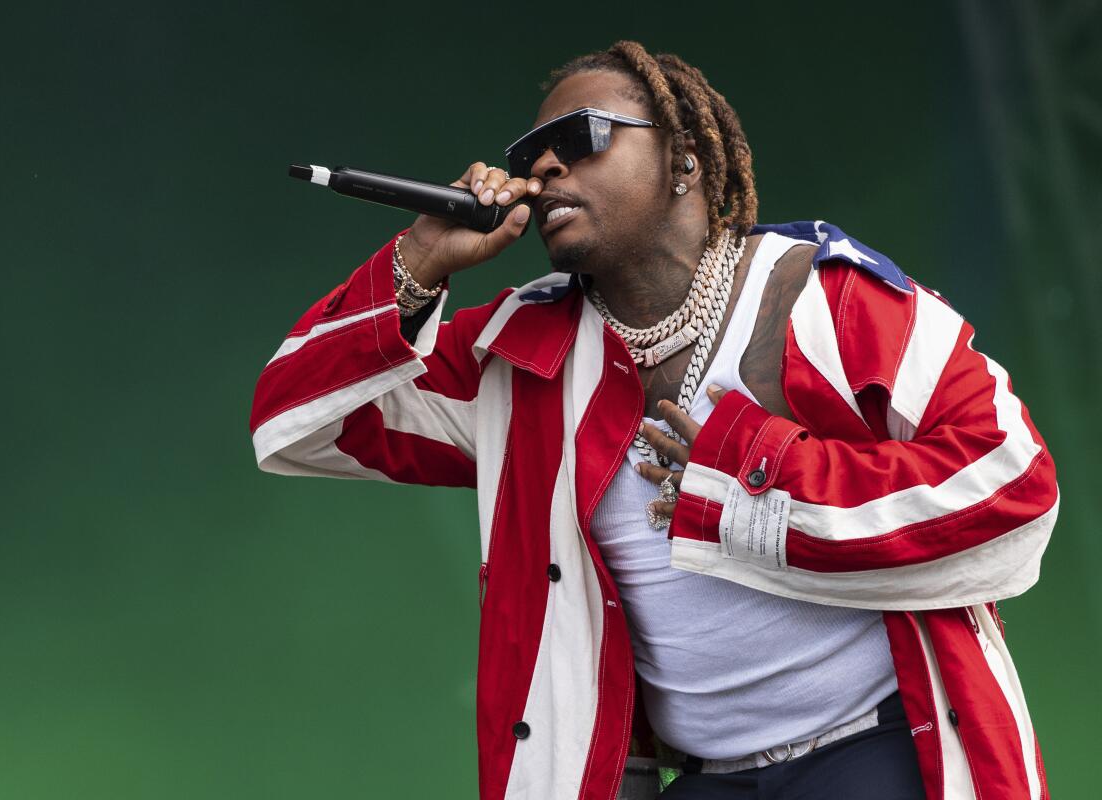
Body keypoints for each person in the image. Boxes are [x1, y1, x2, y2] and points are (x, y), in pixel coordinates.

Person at [249, 41, 1058, 800]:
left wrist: (753, 478)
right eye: (528, 157)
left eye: (582, 136)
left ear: (684, 160)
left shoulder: (824, 296)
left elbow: (1015, 483)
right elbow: (299, 422)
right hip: (705, 776)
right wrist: (420, 260)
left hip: (880, 750)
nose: (544, 167)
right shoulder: (516, 353)